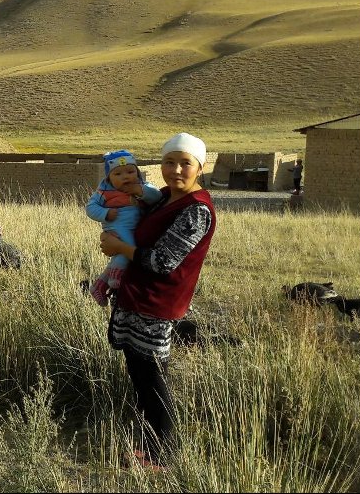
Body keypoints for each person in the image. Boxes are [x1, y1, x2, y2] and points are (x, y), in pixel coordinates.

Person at [100, 132, 216, 470]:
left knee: (152, 379)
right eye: (169, 162)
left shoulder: (197, 210)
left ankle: (163, 456)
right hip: (138, 297)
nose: (176, 170)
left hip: (157, 303)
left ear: (200, 167)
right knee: (140, 374)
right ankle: (150, 446)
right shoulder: (163, 197)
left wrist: (120, 249)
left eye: (185, 164)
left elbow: (163, 262)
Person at [86, 149, 163, 307]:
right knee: (127, 247)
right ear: (109, 178)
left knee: (122, 253)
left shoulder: (141, 186)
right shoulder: (104, 192)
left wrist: (140, 191)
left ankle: (99, 286)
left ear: (137, 172)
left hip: (133, 227)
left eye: (130, 171)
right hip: (116, 225)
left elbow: (157, 197)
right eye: (118, 174)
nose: (125, 177)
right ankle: (115, 281)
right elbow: (90, 208)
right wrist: (105, 213)